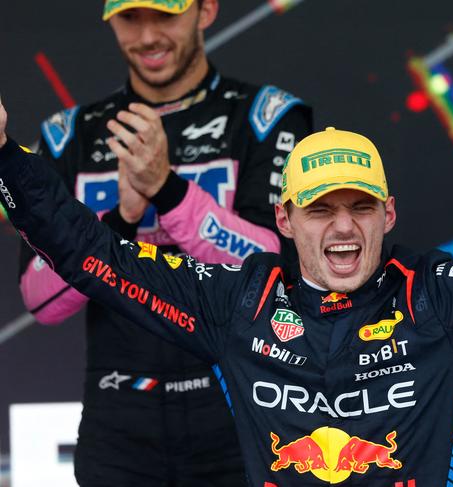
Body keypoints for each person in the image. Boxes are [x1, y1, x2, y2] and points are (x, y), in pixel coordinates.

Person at [1, 65, 453, 486]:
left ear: (387, 212)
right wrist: (6, 160)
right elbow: (90, 254)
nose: (342, 227)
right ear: (285, 218)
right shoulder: (238, 301)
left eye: (360, 206)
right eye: (320, 209)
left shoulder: (442, 297)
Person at [17, 0, 312, 485]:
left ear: (206, 10)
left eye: (165, 14)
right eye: (131, 18)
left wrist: (168, 191)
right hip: (119, 420)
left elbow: (285, 272)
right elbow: (39, 299)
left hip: (242, 406)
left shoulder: (268, 118)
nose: (148, 36)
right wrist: (122, 219)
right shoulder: (67, 135)